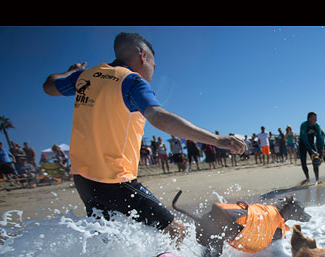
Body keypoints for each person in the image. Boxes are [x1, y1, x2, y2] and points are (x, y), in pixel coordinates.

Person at [43, 32, 245, 244]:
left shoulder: (85, 77)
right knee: (176, 230)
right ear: (142, 56)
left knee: (105, 240)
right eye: (153, 66)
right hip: (115, 180)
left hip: (83, 180)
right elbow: (159, 117)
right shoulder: (131, 81)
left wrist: (71, 72)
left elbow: (49, 86)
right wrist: (217, 140)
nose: (152, 73)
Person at [298, 112, 325, 185]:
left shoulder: (316, 126)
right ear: (309, 119)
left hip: (311, 144)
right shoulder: (304, 125)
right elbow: (305, 140)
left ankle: (317, 179)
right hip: (302, 145)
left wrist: (322, 149)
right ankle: (307, 178)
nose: (316, 120)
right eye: (314, 119)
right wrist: (311, 151)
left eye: (316, 119)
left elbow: (320, 138)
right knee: (303, 163)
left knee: (316, 160)